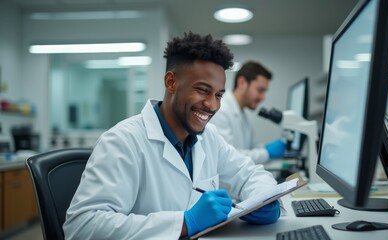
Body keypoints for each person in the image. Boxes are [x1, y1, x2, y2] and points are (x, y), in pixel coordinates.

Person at [63, 32, 280, 239]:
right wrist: (185, 222)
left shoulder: (209, 137)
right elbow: (82, 227)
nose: (212, 105)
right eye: (203, 90)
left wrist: (264, 199)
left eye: (219, 95)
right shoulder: (122, 141)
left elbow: (249, 174)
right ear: (171, 82)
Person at [210, 61, 285, 164]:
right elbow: (228, 157)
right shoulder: (221, 110)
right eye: (260, 90)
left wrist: (264, 149)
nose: (263, 97)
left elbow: (252, 148)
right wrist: (267, 153)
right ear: (242, 83)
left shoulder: (245, 113)